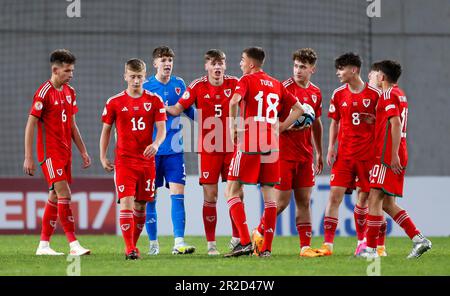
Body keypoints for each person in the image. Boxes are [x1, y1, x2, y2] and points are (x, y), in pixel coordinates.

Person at [224, 47, 305, 258]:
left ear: (251, 64)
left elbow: (233, 101)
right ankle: (266, 249)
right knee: (270, 197)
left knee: (231, 190)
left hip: (250, 141)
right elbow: (300, 109)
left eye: (242, 60)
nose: (240, 63)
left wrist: (234, 127)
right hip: (272, 144)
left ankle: (243, 242)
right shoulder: (276, 84)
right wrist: (281, 126)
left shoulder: (246, 80)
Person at [166, 49, 243, 255]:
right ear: (206, 66)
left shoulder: (235, 83)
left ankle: (238, 239)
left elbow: (254, 103)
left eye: (220, 63)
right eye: (213, 63)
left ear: (225, 65)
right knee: (211, 196)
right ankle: (211, 245)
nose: (217, 67)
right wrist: (155, 102)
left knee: (236, 193)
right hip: (209, 149)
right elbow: (176, 109)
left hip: (233, 148)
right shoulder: (197, 86)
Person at [252, 48, 324, 257]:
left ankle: (305, 247)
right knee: (281, 202)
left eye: (303, 67)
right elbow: (271, 121)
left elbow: (316, 122)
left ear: (313, 69)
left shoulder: (316, 92)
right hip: (283, 153)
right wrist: (290, 126)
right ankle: (258, 233)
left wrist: (319, 151)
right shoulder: (282, 89)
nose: (298, 70)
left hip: (305, 155)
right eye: (296, 66)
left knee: (304, 201)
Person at [359, 60, 432, 259]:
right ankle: (419, 240)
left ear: (382, 77)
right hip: (393, 153)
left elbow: (396, 123)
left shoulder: (387, 94)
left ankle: (372, 250)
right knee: (387, 204)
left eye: (374, 74)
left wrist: (392, 156)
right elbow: (392, 120)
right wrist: (376, 121)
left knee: (374, 198)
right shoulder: (399, 93)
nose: (371, 77)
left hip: (387, 156)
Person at [23, 49, 91, 256]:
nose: (71, 74)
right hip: (49, 154)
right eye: (67, 70)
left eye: (72, 70)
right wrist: (29, 157)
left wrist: (83, 151)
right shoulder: (43, 92)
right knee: (65, 194)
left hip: (65, 152)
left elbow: (72, 125)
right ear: (55, 69)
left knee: (54, 196)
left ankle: (43, 246)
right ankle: (73, 244)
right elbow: (30, 124)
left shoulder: (70, 92)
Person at [315, 52, 381, 256]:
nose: (338, 73)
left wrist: (373, 121)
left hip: (367, 157)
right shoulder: (338, 94)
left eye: (341, 69)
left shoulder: (374, 94)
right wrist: (330, 147)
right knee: (334, 197)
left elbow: (386, 124)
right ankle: (328, 245)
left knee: (366, 199)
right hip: (344, 156)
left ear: (354, 70)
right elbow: (334, 121)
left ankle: (362, 242)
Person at [100, 58, 166, 260]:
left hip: (146, 162)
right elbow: (106, 131)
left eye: (139, 76)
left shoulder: (154, 100)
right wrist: (103, 156)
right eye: (133, 76)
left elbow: (162, 130)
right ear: (125, 76)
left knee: (141, 205)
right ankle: (130, 249)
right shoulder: (114, 102)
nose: (136, 80)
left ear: (145, 77)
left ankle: (132, 246)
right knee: (127, 202)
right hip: (125, 161)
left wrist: (155, 144)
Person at [143, 46, 196, 255]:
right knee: (150, 197)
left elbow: (188, 109)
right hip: (152, 151)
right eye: (163, 60)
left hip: (175, 150)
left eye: (170, 60)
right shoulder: (146, 86)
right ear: (155, 63)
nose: (167, 63)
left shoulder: (179, 84)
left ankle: (178, 242)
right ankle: (153, 244)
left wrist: (209, 121)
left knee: (178, 195)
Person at [367, 64, 388, 257]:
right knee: (369, 199)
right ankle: (369, 244)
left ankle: (376, 246)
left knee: (380, 201)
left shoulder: (385, 97)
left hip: (381, 157)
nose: (378, 78)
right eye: (375, 75)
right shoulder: (367, 95)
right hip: (367, 155)